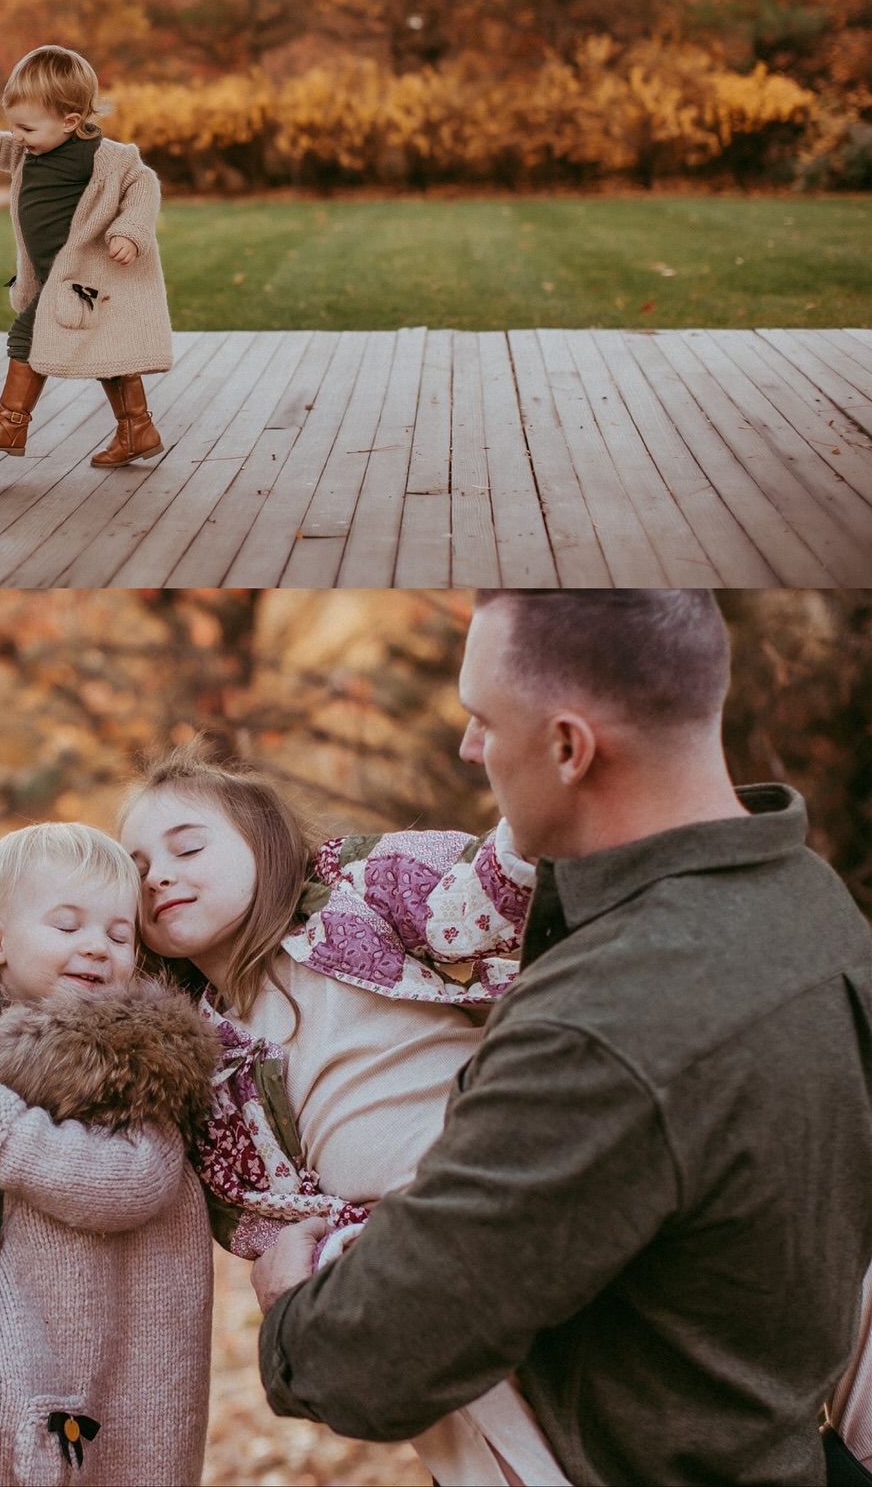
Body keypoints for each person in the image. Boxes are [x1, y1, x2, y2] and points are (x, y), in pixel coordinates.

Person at [252, 589, 872, 1485]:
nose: (470, 748)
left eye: (483, 719)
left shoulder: (603, 1026)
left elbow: (370, 1362)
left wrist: (291, 1307)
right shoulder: (813, 904)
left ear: (569, 748)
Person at [120, 739, 567, 1486]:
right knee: (480, 1434)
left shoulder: (356, 890)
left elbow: (486, 893)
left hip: (502, 1175)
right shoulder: (193, 1047)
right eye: (134, 871)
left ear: (264, 843)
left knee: (589, 1401)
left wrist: (533, 794)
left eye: (187, 848)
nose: (158, 875)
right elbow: (248, 1202)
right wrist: (289, 1260)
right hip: (379, 1249)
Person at [0, 822, 218, 1487]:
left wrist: (9, 1140)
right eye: (67, 925)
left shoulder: (123, 1057)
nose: (96, 947)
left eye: (120, 935)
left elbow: (139, 1179)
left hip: (93, 1346)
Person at [0, 44, 173, 467]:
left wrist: (129, 232)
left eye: (26, 128)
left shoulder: (96, 157)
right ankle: (137, 429)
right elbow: (21, 152)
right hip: (57, 277)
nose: (20, 136)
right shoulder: (39, 146)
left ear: (71, 122)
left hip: (83, 278)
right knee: (108, 353)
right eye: (13, 125)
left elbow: (142, 183)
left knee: (26, 335)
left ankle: (10, 421)